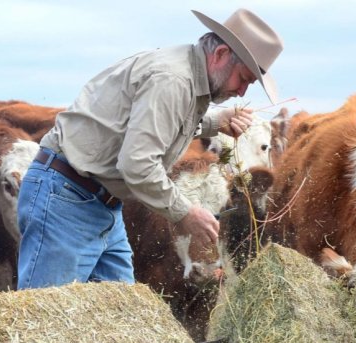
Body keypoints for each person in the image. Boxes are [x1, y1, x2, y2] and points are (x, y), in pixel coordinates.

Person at [17, 8, 284, 289]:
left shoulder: (183, 74)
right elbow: (138, 165)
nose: (242, 92)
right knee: (46, 310)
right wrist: (186, 213)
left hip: (97, 200)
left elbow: (158, 125)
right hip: (67, 199)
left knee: (123, 310)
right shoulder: (173, 80)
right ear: (220, 54)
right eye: (243, 78)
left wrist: (215, 122)